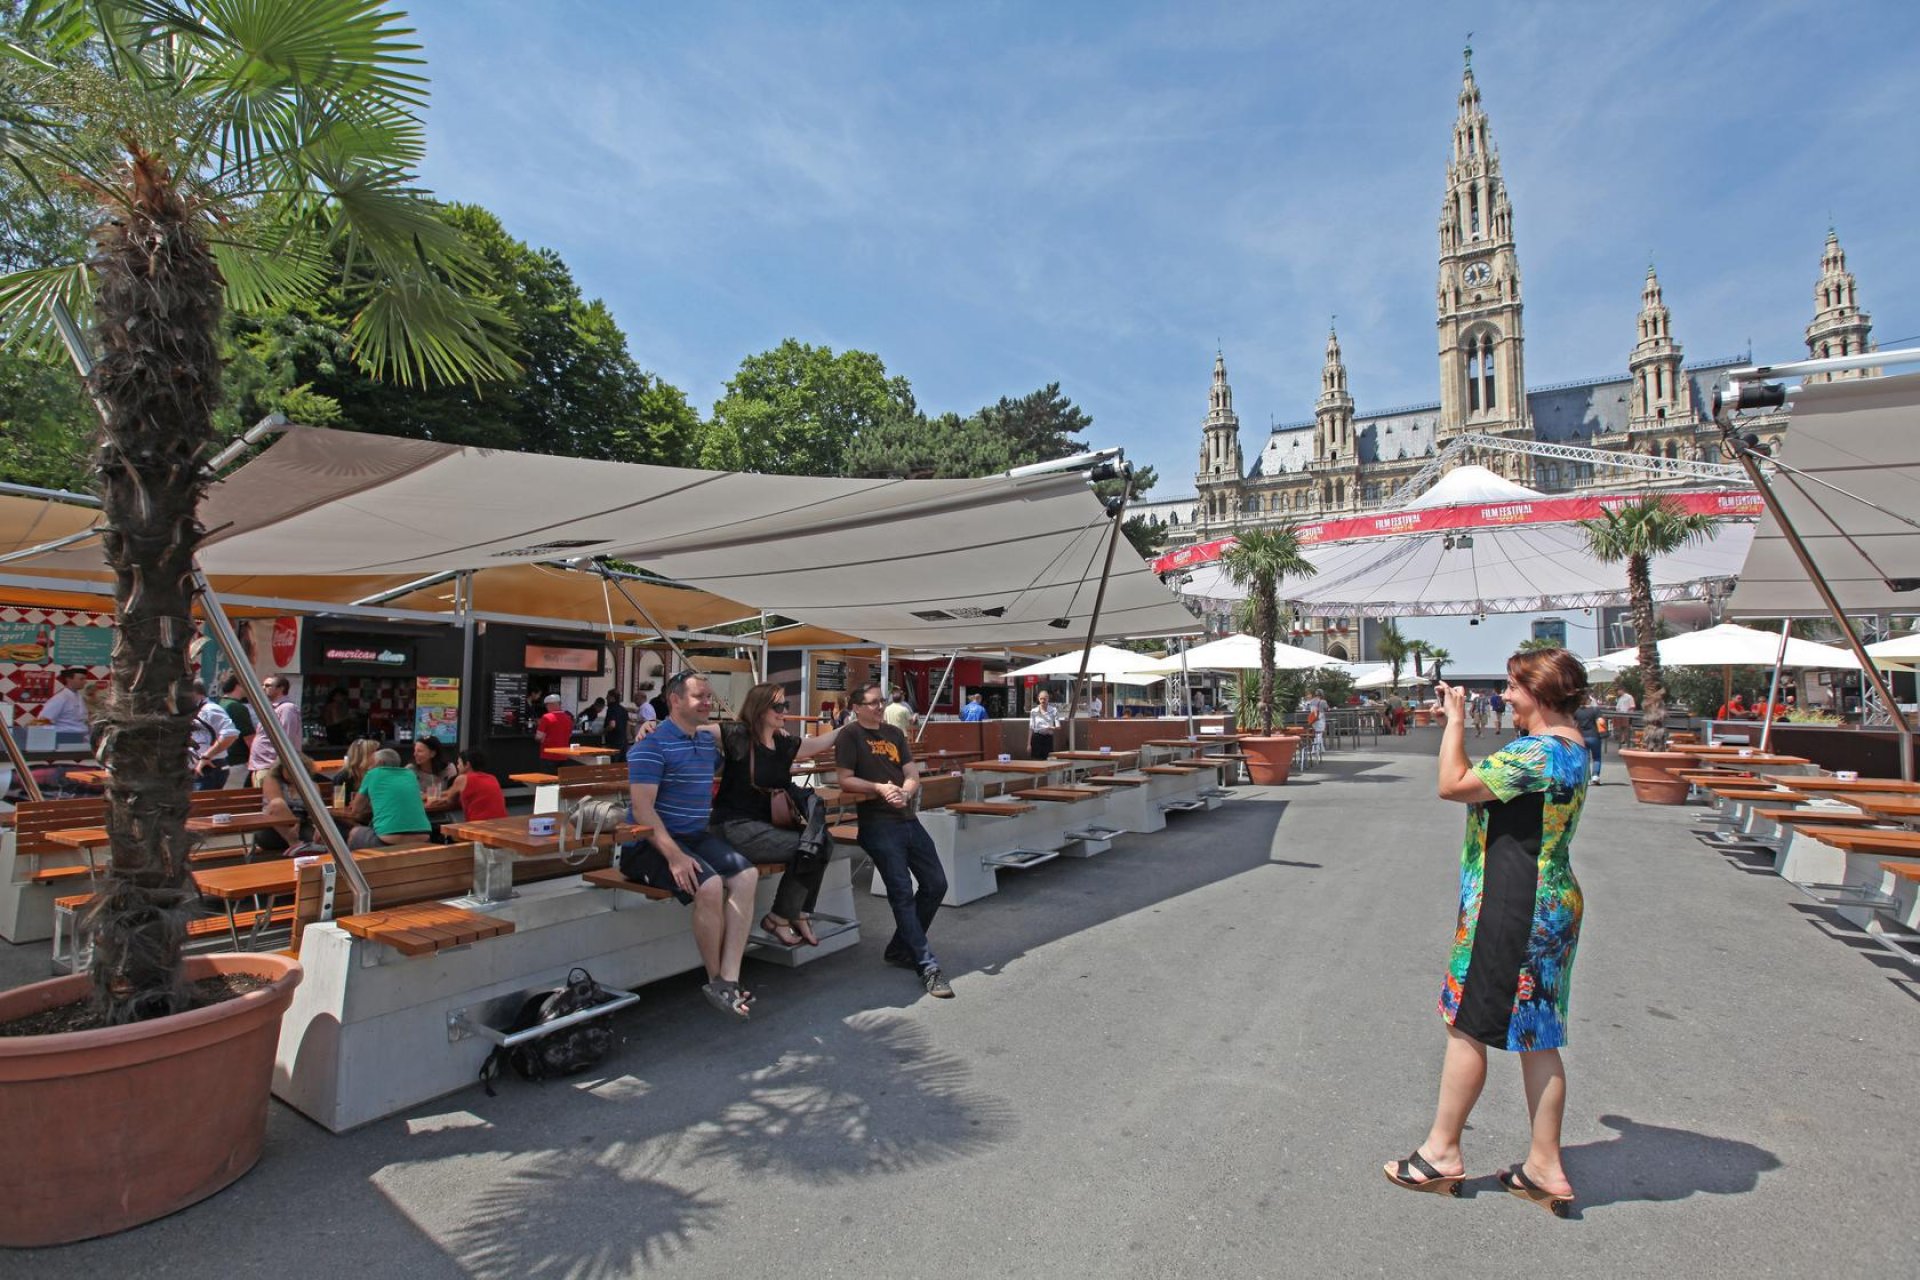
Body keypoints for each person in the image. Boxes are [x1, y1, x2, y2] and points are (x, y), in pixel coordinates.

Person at [1384, 650, 1590, 1214]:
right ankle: (1543, 1165)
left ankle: (1441, 1154)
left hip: (1511, 902)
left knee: (1467, 1024)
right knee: (1538, 1034)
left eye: (1512, 687)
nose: (1504, 696)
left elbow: (1452, 784)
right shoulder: (1575, 749)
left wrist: (1453, 722)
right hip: (1551, 900)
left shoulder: (1536, 753)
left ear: (1539, 692)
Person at [621, 671, 761, 1020]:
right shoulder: (649, 747)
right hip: (647, 844)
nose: (708, 703)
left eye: (710, 697)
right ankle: (717, 980)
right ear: (675, 700)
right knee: (710, 885)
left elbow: (735, 743)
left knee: (747, 876)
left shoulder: (702, 743)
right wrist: (674, 856)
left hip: (695, 836)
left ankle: (729, 977)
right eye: (700, 697)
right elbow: (642, 810)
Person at [837, 682, 953, 998]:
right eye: (873, 702)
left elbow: (912, 773)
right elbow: (844, 778)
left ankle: (901, 947)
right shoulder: (849, 735)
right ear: (857, 706)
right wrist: (879, 788)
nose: (879, 707)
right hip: (877, 824)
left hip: (907, 819)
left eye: (881, 701)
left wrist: (905, 791)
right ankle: (927, 965)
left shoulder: (895, 734)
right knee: (901, 891)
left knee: (936, 883)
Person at [712, 683, 841, 947]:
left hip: (765, 826)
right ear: (759, 709)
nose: (784, 711)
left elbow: (815, 745)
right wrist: (652, 725)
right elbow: (691, 728)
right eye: (778, 706)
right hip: (734, 826)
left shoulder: (782, 742)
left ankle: (798, 913)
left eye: (785, 705)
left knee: (822, 841)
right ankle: (781, 917)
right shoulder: (738, 735)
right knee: (809, 846)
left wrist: (847, 728)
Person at [346, 748, 433, 850]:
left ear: (379, 762)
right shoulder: (410, 774)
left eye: (371, 763)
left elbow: (356, 809)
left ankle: (351, 866)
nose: (369, 766)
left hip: (389, 841)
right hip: (423, 838)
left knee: (354, 833)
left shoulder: (373, 774)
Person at [247, 674, 303, 786]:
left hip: (272, 766)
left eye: (268, 685)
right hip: (261, 765)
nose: (263, 688)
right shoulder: (271, 707)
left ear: (281, 688)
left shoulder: (287, 708)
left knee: (270, 800)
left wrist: (279, 767)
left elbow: (287, 739)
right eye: (263, 685)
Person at [426, 749, 507, 822]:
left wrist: (428, 798)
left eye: (459, 763)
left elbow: (449, 799)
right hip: (500, 824)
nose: (457, 766)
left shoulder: (462, 779)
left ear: (467, 764)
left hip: (479, 828)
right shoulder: (492, 778)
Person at [186, 680, 239, 790]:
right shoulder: (194, 710)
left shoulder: (210, 709)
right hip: (195, 768)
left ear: (195, 693)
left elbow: (231, 734)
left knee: (202, 805)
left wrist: (207, 756)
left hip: (210, 767)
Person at [215, 674, 255, 787]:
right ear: (238, 685)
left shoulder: (220, 704)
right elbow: (250, 739)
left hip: (223, 760)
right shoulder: (237, 708)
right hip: (238, 763)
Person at [34, 668, 93, 739]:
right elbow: (42, 722)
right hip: (65, 739)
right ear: (69, 679)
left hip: (82, 738)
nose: (85, 682)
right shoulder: (60, 698)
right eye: (81, 679)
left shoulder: (79, 697)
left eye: (85, 679)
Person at [331, 737, 381, 808]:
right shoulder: (343, 777)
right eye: (374, 753)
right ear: (362, 756)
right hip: (350, 817)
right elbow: (338, 805)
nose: (378, 757)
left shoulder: (375, 774)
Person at [1572, 693, 1606, 783]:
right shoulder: (1595, 710)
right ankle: (1595, 775)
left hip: (1582, 737)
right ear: (1588, 700)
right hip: (1594, 736)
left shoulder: (1577, 711)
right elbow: (1601, 721)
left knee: (1585, 758)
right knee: (1597, 757)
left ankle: (1586, 777)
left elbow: (1574, 724)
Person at [410, 736, 456, 802]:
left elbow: (454, 792)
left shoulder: (449, 769)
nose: (415, 754)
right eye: (415, 751)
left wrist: (426, 795)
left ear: (432, 753)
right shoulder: (410, 770)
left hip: (443, 807)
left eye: (419, 751)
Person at [536, 694, 575, 761]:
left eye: (546, 705)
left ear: (550, 705)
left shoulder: (546, 717)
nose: (546, 707)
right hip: (563, 756)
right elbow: (569, 735)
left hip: (548, 755)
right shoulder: (568, 718)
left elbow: (539, 737)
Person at [1028, 690, 1061, 760]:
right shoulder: (1034, 711)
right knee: (1036, 760)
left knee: (1048, 759)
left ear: (1048, 699)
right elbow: (1031, 728)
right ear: (1038, 699)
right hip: (1037, 737)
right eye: (1041, 699)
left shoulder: (1053, 710)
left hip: (1048, 738)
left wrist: (1052, 728)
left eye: (1045, 699)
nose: (1043, 701)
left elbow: (1058, 726)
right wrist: (1028, 744)